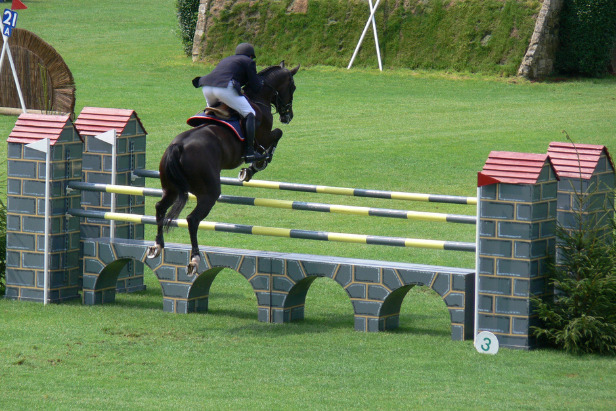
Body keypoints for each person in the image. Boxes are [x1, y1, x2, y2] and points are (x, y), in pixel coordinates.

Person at [192, 43, 266, 163]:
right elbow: (256, 86)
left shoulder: (227, 59)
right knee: (250, 113)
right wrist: (261, 83)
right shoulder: (248, 61)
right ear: (251, 56)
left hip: (207, 87)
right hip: (223, 88)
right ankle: (250, 152)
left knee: (213, 111)